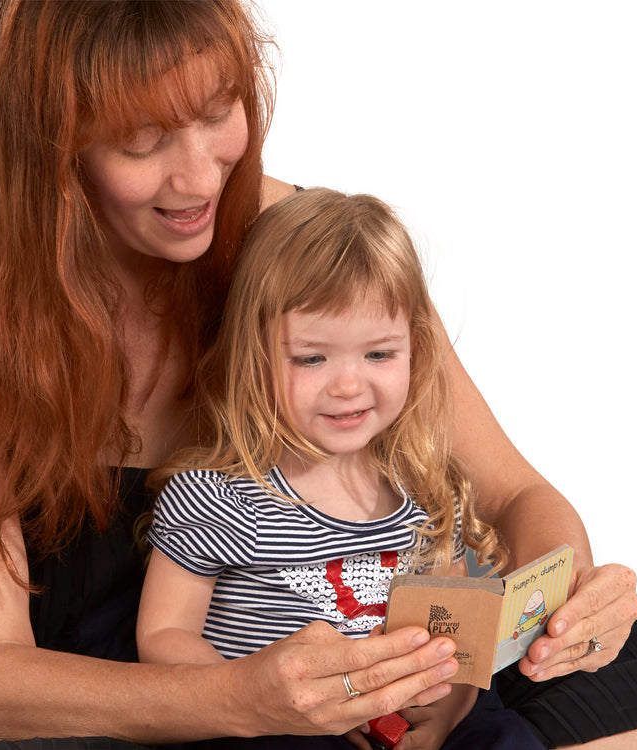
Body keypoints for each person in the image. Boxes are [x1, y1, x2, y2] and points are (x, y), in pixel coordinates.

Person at [0, 1, 637, 749]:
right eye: (142, 141)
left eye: (217, 110)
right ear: (48, 147)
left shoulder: (296, 247)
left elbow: (515, 493)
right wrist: (244, 700)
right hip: (87, 701)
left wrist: (565, 603)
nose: (201, 176)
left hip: (335, 666)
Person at [137, 186, 546, 750]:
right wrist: (253, 699)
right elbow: (162, 636)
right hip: (279, 726)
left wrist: (444, 712)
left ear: (415, 350)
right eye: (311, 358)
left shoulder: (427, 490)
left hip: (405, 722)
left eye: (378, 354)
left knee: (509, 736)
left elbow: (455, 636)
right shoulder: (218, 496)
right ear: (253, 355)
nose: (349, 385)